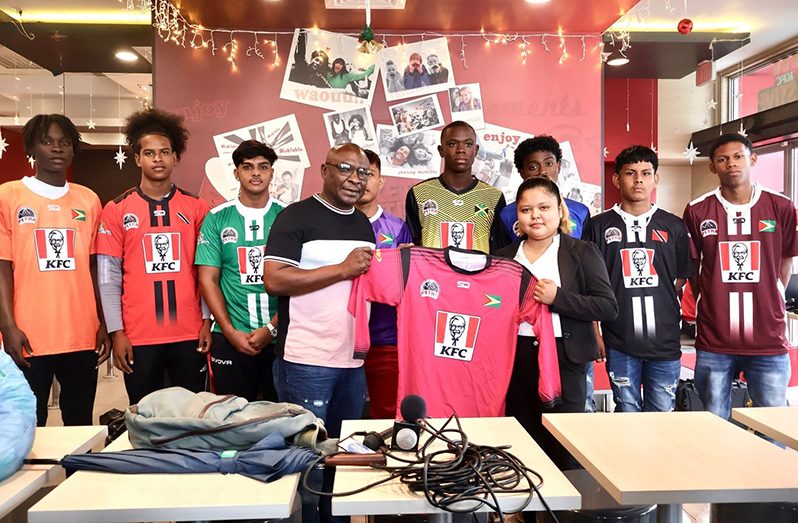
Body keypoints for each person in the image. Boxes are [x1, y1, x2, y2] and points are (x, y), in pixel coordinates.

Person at [496, 177, 616, 469]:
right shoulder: (503, 258)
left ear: (560, 210)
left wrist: (558, 297)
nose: (535, 216)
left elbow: (607, 306)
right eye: (526, 210)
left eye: (544, 207)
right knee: (522, 443)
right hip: (516, 360)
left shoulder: (582, 252)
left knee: (563, 444)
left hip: (567, 359)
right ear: (517, 216)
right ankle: (524, 512)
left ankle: (564, 512)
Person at [97, 108, 211, 406]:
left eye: (164, 152)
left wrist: (206, 321)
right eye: (149, 153)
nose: (157, 159)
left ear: (176, 157)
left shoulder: (197, 208)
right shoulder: (117, 209)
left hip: (188, 333)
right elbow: (108, 277)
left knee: (191, 417)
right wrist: (116, 331)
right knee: (146, 418)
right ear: (137, 158)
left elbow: (206, 272)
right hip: (138, 337)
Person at [0, 114, 108, 426]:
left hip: (81, 334)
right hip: (28, 336)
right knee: (27, 424)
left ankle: (77, 476)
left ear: (74, 149)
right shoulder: (8, 196)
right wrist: (8, 326)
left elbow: (94, 266)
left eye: (64, 142)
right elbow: (3, 269)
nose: (57, 148)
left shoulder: (88, 199)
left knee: (79, 423)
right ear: (31, 148)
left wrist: (102, 321)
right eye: (47, 142)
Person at [683, 133, 798, 420]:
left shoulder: (781, 207)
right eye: (722, 159)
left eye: (738, 157)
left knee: (773, 422)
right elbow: (695, 270)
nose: (731, 164)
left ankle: (769, 467)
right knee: (713, 420)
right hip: (714, 340)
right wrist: (711, 296)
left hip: (768, 338)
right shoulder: (697, 210)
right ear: (712, 166)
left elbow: (785, 262)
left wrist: (771, 293)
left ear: (752, 160)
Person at [263, 143, 375, 437]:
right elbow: (274, 280)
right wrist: (342, 269)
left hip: (352, 359)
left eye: (363, 172)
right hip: (306, 360)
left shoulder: (363, 223)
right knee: (305, 452)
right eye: (346, 169)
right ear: (325, 171)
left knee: (342, 449)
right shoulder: (295, 216)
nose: (355, 179)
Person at [585, 146, 692, 412]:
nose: (639, 180)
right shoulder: (598, 227)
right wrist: (594, 332)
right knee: (627, 411)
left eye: (646, 173)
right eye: (630, 173)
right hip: (619, 340)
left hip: (665, 342)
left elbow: (679, 279)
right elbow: (590, 285)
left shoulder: (674, 226)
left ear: (656, 178)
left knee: (662, 412)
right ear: (616, 179)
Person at [196, 140, 284, 402]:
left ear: (271, 172)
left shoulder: (287, 216)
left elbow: (297, 282)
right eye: (247, 167)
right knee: (231, 420)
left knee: (281, 418)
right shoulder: (216, 218)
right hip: (229, 336)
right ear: (236, 173)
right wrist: (230, 331)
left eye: (263, 166)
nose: (255, 173)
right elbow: (208, 280)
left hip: (280, 337)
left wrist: (271, 329)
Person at [356, 150, 412, 418]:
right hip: (339, 339)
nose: (363, 180)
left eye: (370, 174)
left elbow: (408, 286)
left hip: (386, 338)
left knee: (386, 412)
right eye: (356, 173)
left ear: (381, 181)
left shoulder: (397, 227)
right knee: (343, 415)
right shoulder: (329, 227)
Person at [405, 121, 510, 254]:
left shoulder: (493, 197)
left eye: (468, 144)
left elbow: (499, 252)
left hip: (478, 274)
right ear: (441, 150)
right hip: (432, 274)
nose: (461, 150)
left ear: (476, 150)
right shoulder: (419, 193)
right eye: (452, 144)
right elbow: (412, 247)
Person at [499, 135, 591, 240]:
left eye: (549, 163)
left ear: (558, 166)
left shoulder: (580, 212)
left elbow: (586, 252)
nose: (542, 171)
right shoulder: (506, 215)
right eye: (533, 167)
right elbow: (502, 255)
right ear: (522, 173)